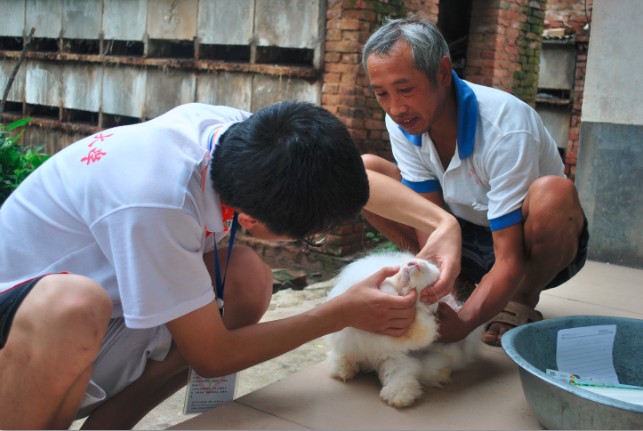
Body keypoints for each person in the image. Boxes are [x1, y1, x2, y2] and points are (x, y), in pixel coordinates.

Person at [0, 100, 461, 429]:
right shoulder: (154, 202)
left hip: (108, 292)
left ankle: (111, 426)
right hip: (24, 321)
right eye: (311, 234)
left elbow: (356, 177)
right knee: (74, 305)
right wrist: (339, 313)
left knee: (246, 279)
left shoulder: (246, 138)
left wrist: (442, 224)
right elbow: (212, 356)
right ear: (251, 219)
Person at [360, 17, 589, 347]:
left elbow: (509, 256)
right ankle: (461, 283)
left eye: (406, 89)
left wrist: (463, 322)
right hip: (462, 234)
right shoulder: (403, 121)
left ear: (441, 72)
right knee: (367, 176)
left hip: (525, 243)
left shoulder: (505, 126)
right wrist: (437, 286)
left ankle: (520, 300)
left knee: (554, 193)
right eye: (382, 93)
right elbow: (428, 216)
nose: (396, 107)